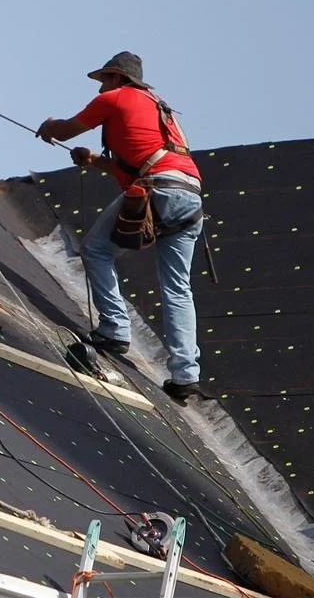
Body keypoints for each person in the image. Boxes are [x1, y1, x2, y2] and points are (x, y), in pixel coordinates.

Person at [36, 52, 204, 403]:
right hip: (189, 196)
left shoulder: (114, 98)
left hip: (158, 188)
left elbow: (68, 129)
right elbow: (136, 163)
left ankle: (114, 329)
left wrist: (51, 127)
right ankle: (186, 376)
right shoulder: (159, 108)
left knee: (97, 248)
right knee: (178, 288)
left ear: (116, 77)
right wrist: (95, 160)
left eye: (104, 79)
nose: (100, 86)